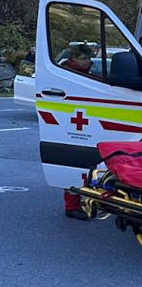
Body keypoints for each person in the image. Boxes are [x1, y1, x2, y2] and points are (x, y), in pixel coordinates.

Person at [61, 44, 95, 220]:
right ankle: (71, 205)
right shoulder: (68, 73)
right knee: (75, 167)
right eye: (83, 58)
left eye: (89, 58)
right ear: (73, 59)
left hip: (84, 124)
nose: (88, 62)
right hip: (75, 127)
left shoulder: (85, 73)